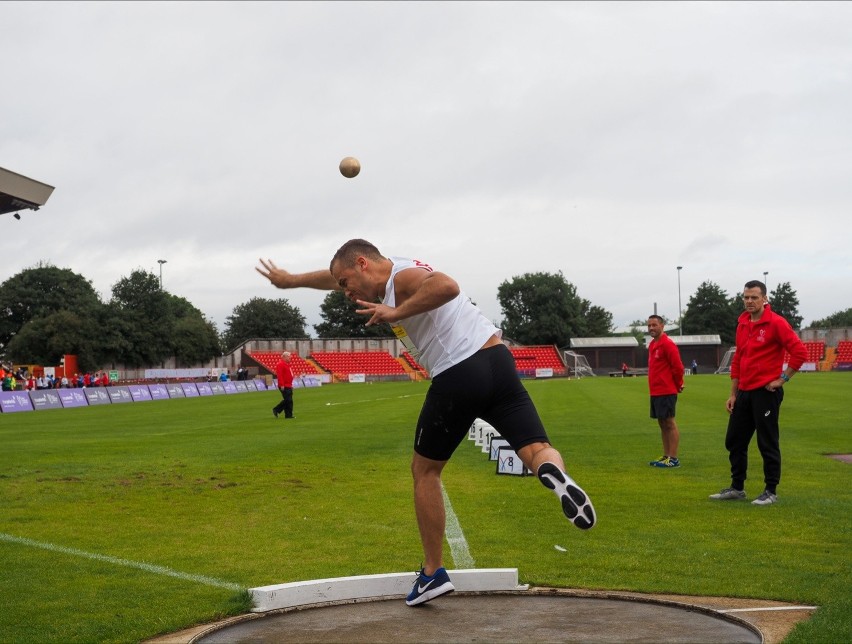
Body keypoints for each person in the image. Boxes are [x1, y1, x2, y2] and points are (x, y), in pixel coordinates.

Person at [256, 239, 596, 607]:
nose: (344, 292)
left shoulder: (401, 278)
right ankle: (556, 475)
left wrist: (394, 313)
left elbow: (447, 286)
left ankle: (433, 573)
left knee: (425, 471)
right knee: (535, 447)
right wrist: (291, 281)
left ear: (363, 264)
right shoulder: (384, 271)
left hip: (458, 370)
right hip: (497, 359)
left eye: (345, 283)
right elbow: (332, 273)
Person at [710, 280, 807, 506]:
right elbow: (738, 361)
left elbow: (799, 352)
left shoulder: (776, 323)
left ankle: (770, 490)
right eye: (746, 297)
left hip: (765, 393)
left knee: (767, 442)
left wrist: (782, 379)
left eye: (754, 297)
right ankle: (737, 487)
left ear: (764, 298)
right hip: (743, 393)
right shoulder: (742, 324)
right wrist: (733, 394)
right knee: (734, 440)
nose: (749, 301)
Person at [646, 315, 684, 468]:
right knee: (662, 423)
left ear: (662, 326)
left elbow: (678, 367)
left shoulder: (668, 344)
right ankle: (666, 456)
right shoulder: (652, 345)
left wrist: (678, 384)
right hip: (655, 391)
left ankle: (673, 458)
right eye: (649, 325)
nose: (651, 328)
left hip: (666, 390)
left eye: (654, 325)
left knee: (669, 422)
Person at [272, 352, 295, 419]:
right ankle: (276, 409)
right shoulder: (280, 364)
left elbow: (288, 375)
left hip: (288, 385)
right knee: (288, 400)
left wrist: (291, 384)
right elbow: (280, 376)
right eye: (289, 356)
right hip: (284, 385)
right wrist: (282, 385)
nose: (290, 358)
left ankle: (288, 415)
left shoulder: (287, 364)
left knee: (289, 401)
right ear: (284, 357)